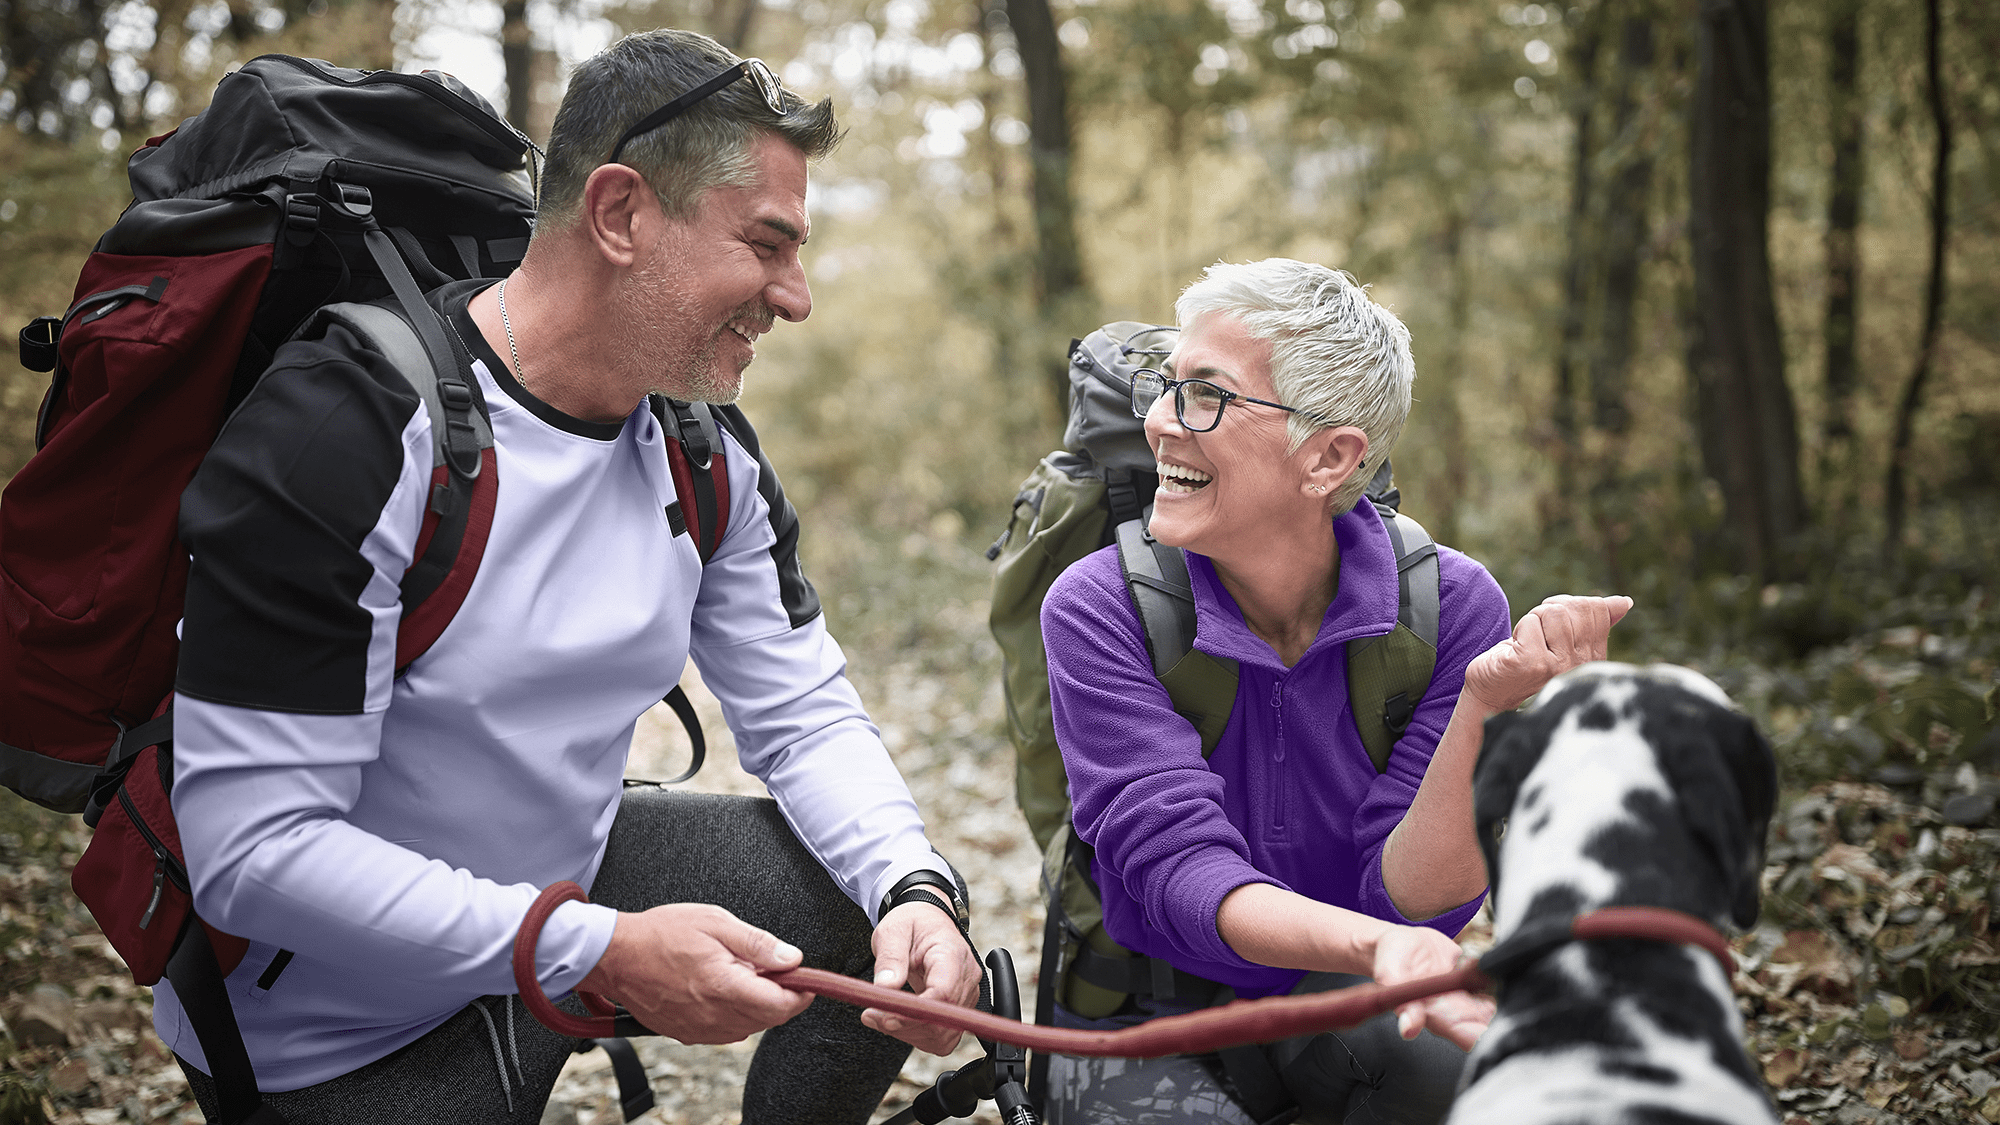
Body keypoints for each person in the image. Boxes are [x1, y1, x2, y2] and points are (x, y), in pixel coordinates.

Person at [162, 29, 981, 1125]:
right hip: (340, 1033)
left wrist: (912, 888)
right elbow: (250, 853)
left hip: (567, 900)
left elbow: (802, 713)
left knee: (863, 894)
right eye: (767, 244)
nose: (795, 297)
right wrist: (596, 946)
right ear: (620, 213)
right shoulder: (349, 428)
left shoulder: (701, 452)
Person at [1038, 258, 1632, 1124]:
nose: (1163, 420)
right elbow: (1180, 870)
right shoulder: (1100, 606)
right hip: (1149, 1011)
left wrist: (1482, 709)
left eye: (1207, 393)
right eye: (1167, 386)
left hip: (1348, 995)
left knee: (1468, 1074)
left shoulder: (1453, 606)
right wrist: (1384, 944)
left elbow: (1412, 896)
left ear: (1328, 457)